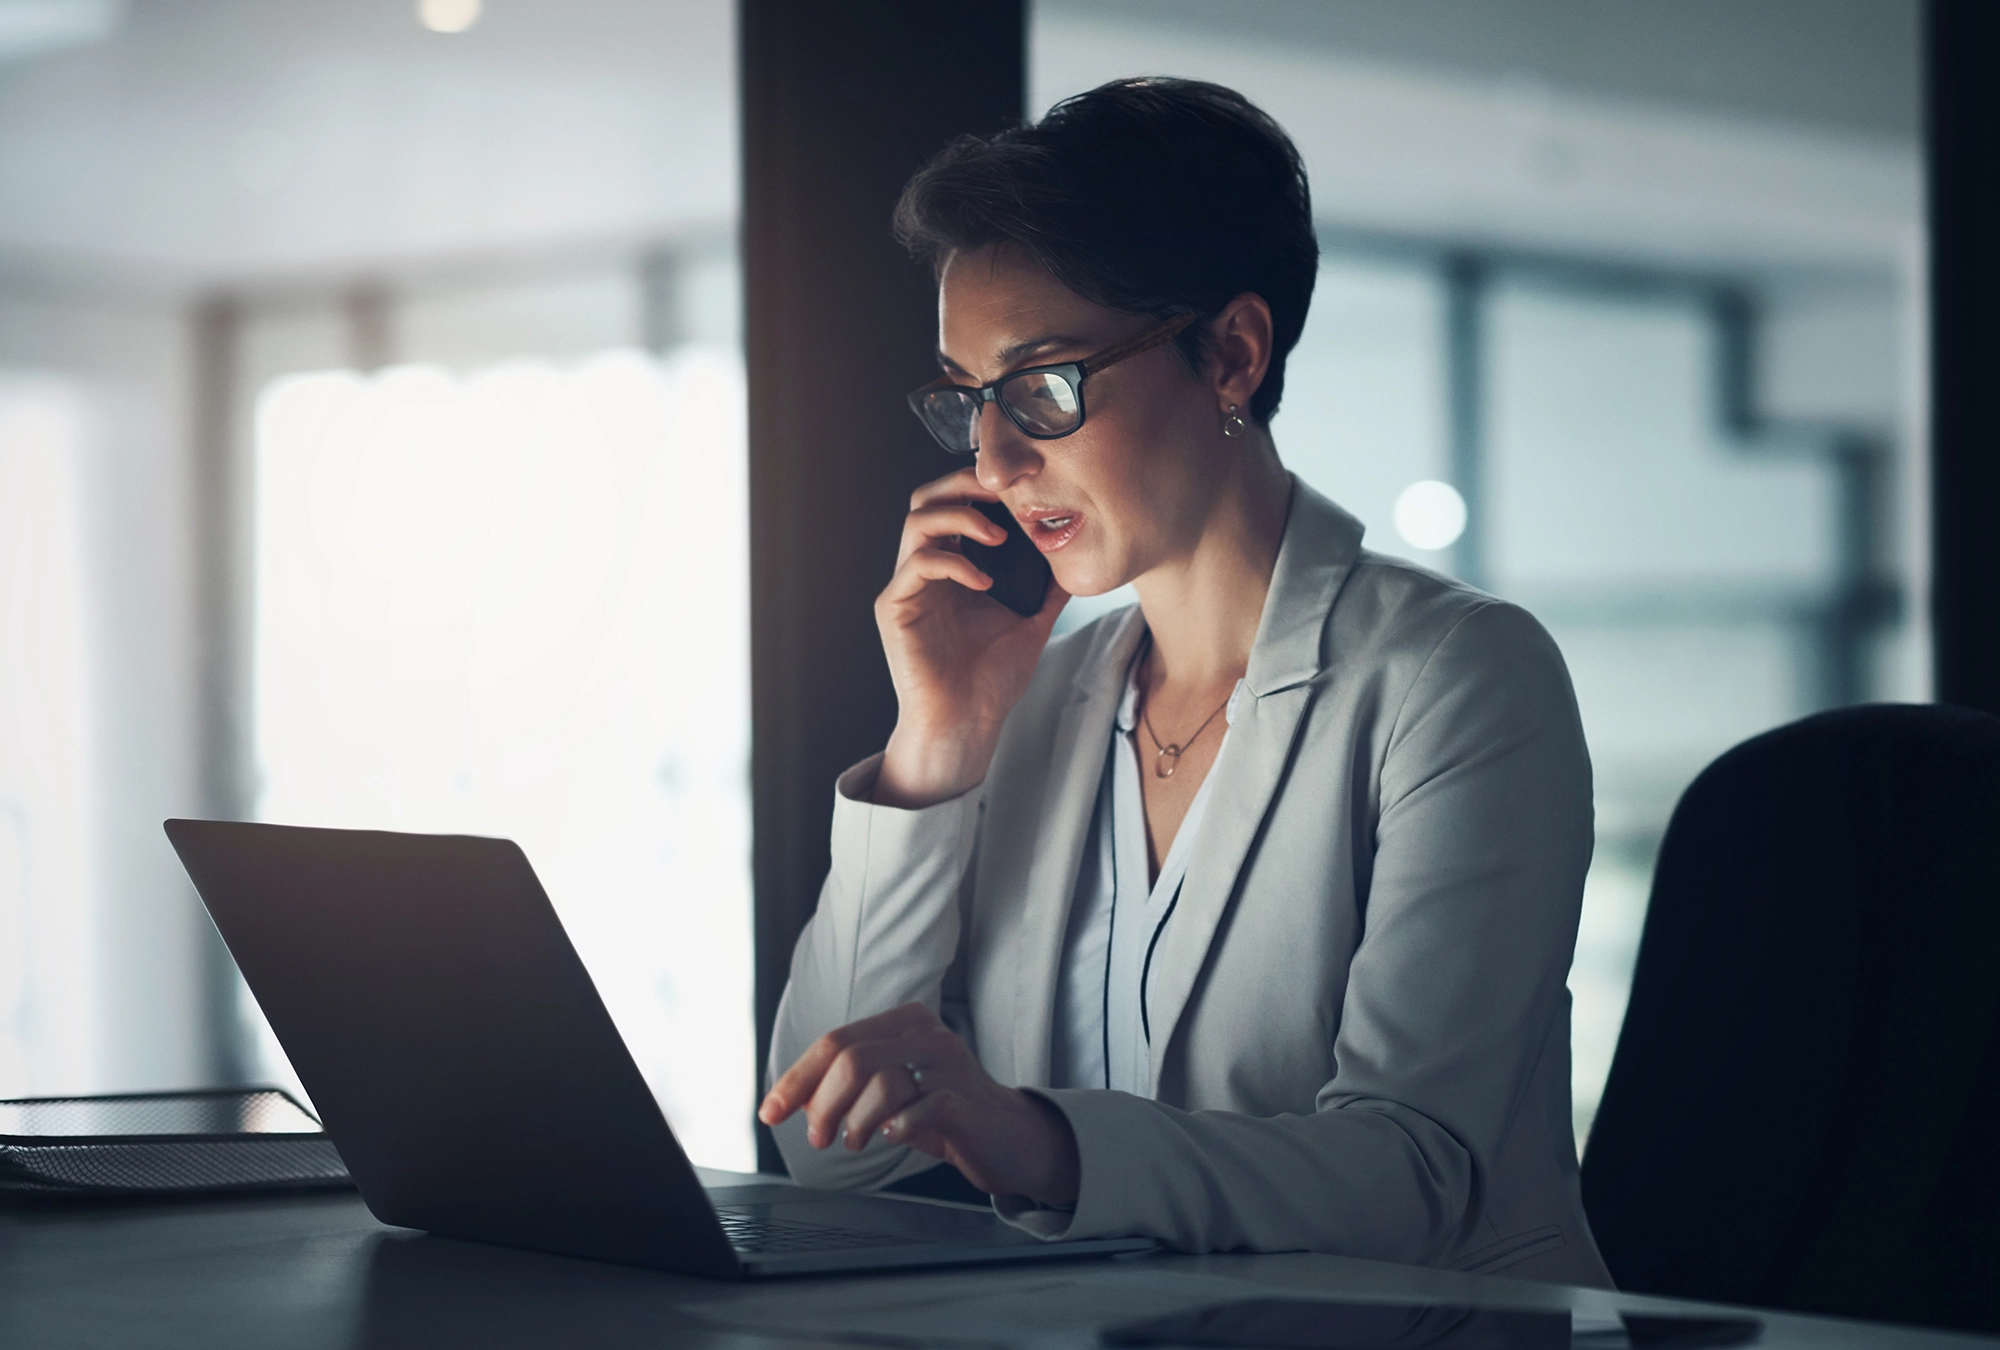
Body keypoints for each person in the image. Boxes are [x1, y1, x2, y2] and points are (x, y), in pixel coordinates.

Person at [756, 76, 1611, 1287]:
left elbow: (1415, 1176)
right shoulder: (1033, 702)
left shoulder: (1458, 678)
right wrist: (932, 750)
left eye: (1042, 387)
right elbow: (825, 1155)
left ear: (1230, 354)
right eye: (970, 400)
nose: (995, 461)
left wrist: (1039, 1143)